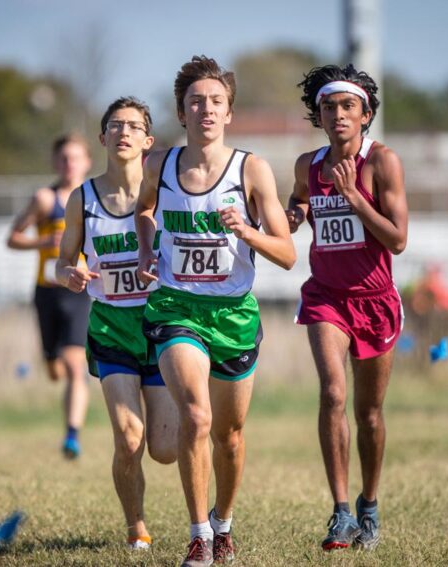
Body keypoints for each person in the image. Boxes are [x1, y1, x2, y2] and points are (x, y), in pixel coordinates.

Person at [136, 55, 296, 566]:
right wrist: (145, 249)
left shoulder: (251, 169)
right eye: (195, 102)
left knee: (229, 435)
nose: (206, 109)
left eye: (216, 102)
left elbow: (288, 253)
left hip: (232, 313)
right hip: (175, 306)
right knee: (197, 416)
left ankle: (224, 523)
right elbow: (143, 209)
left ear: (229, 113)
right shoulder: (159, 164)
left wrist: (245, 230)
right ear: (181, 112)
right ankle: (199, 534)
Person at [286, 64, 408, 551]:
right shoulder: (306, 165)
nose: (338, 114)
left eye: (348, 107)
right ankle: (340, 513)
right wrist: (295, 213)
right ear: (319, 116)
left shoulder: (383, 163)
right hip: (326, 298)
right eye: (329, 107)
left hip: (376, 301)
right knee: (333, 394)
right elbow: (297, 202)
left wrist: (353, 196)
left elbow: (398, 240)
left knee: (369, 414)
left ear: (366, 115)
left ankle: (369, 506)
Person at [55, 97, 179, 550]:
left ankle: (202, 504)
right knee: (129, 439)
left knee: (164, 450)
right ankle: (136, 530)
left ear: (148, 140)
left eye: (133, 126)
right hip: (111, 329)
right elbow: (62, 261)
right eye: (114, 125)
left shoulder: (168, 194)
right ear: (102, 137)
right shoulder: (82, 199)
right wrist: (68, 274)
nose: (123, 132)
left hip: (164, 325)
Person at [7, 134, 92, 459]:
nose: (69, 164)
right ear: (55, 163)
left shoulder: (94, 198)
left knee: (74, 365)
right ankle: (50, 359)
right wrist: (43, 243)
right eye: (63, 158)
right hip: (46, 292)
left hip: (79, 292)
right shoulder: (45, 199)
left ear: (87, 162)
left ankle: (72, 435)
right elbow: (12, 238)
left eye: (75, 158)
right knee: (54, 369)